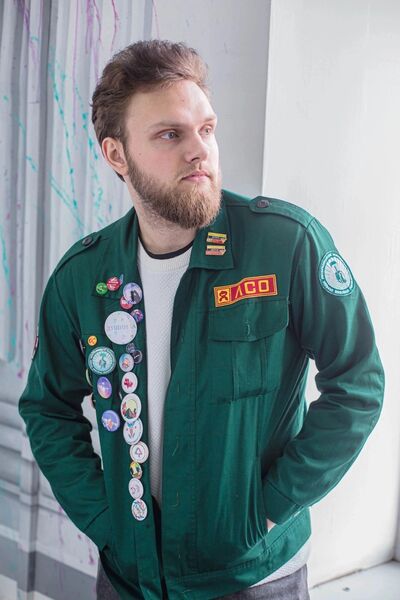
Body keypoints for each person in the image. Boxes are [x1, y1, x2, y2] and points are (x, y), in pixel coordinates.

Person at [18, 39, 385, 600]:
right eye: (170, 135)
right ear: (117, 155)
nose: (199, 151)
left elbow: (358, 382)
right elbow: (48, 409)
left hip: (254, 577)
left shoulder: (286, 245)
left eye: (206, 129)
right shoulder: (82, 277)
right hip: (129, 579)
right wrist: (105, 520)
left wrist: (271, 508)